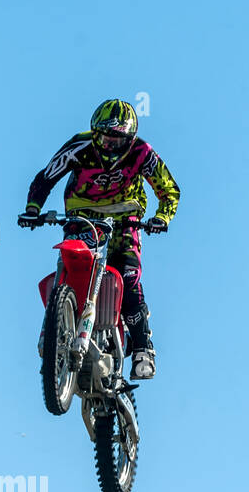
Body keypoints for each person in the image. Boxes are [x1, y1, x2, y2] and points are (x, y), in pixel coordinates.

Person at [19, 98, 180, 380]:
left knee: (128, 275)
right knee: (71, 259)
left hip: (125, 217)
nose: (110, 146)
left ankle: (143, 347)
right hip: (83, 214)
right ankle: (54, 327)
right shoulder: (78, 146)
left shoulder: (143, 153)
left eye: (118, 141)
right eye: (105, 139)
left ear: (130, 140)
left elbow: (169, 189)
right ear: (95, 133)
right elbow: (47, 176)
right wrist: (33, 208)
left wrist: (162, 217)